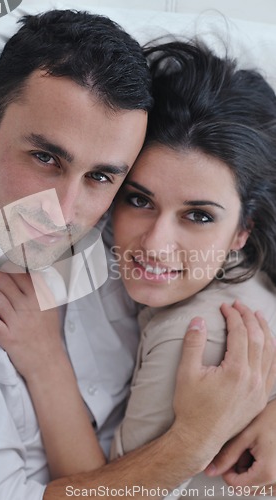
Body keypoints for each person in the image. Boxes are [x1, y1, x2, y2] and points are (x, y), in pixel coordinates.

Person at [0, 8, 275, 499]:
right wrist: (194, 440)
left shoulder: (124, 223)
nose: (65, 211)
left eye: (102, 177)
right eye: (45, 158)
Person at [108, 40, 276, 498]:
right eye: (139, 200)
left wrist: (46, 364)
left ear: (244, 229)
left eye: (199, 215)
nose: (156, 245)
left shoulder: (195, 334)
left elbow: (103, 493)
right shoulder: (246, 267)